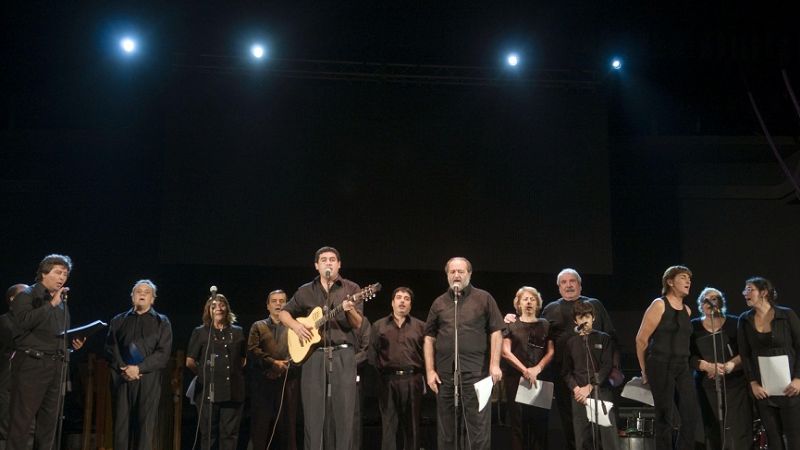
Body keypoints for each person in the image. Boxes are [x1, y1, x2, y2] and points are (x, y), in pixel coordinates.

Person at [278, 246, 364, 450]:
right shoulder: (306, 290)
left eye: (332, 259)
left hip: (343, 353)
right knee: (313, 415)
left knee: (344, 414)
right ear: (316, 265)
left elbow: (358, 324)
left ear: (339, 264)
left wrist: (348, 309)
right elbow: (283, 313)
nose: (328, 263)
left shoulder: (351, 288)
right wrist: (297, 326)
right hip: (313, 356)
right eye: (324, 260)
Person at [424, 256, 504, 450]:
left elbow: (496, 331)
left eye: (460, 271)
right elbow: (429, 338)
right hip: (445, 376)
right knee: (447, 428)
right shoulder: (439, 303)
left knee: (477, 428)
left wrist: (494, 364)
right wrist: (430, 371)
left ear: (469, 274)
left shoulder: (484, 298)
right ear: (447, 275)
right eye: (452, 272)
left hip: (477, 373)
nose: (456, 275)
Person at [7, 254, 84, 450]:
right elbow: (24, 321)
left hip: (55, 365)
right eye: (58, 272)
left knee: (49, 423)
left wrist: (71, 344)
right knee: (22, 421)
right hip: (31, 364)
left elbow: (57, 334)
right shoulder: (27, 295)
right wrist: (51, 305)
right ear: (44, 272)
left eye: (65, 274)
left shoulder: (60, 303)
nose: (62, 278)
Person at [539, 268, 620, 450]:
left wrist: (612, 369)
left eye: (572, 281)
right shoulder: (551, 309)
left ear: (580, 285)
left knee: (604, 428)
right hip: (567, 378)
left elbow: (612, 337)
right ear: (559, 287)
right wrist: (513, 318)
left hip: (599, 377)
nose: (568, 285)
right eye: (564, 282)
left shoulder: (594, 304)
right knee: (574, 425)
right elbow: (537, 334)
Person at [635, 265, 699, 450]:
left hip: (682, 366)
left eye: (689, 278)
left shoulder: (687, 310)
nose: (688, 281)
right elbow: (641, 340)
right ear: (670, 282)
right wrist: (644, 370)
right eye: (683, 277)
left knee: (690, 414)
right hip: (660, 364)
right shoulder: (660, 304)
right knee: (665, 415)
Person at [105, 279, 173, 450]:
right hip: (122, 377)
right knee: (121, 426)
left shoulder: (162, 322)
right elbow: (110, 347)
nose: (142, 294)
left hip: (148, 378)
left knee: (145, 426)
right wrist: (125, 368)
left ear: (153, 299)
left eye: (146, 292)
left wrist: (139, 368)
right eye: (138, 291)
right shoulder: (118, 320)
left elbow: (163, 353)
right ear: (132, 296)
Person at [737, 276, 800, 450]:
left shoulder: (786, 315)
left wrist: (798, 378)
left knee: (795, 437)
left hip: (790, 387)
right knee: (773, 438)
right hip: (764, 389)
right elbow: (745, 354)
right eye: (745, 290)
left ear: (763, 292)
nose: (745, 293)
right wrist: (753, 383)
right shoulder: (744, 320)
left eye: (750, 289)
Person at [689, 287, 752, 449]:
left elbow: (747, 351)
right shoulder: (693, 327)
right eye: (706, 300)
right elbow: (688, 355)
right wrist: (706, 366)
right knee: (711, 427)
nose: (710, 302)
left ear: (721, 302)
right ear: (701, 305)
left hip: (735, 384)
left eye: (715, 298)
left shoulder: (735, 323)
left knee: (738, 427)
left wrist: (731, 365)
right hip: (707, 385)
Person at [187, 292, 246, 450]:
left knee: (229, 435)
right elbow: (190, 361)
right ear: (208, 310)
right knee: (208, 435)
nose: (218, 308)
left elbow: (243, 359)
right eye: (214, 306)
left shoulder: (238, 331)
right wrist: (204, 375)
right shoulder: (200, 332)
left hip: (233, 392)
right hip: (208, 392)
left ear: (227, 308)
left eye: (222, 305)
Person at [369, 287, 426, 450]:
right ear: (392, 302)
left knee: (412, 427)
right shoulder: (378, 325)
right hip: (387, 381)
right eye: (399, 298)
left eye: (406, 298)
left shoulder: (421, 326)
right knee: (389, 426)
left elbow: (427, 354)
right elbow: (372, 356)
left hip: (412, 379)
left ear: (410, 305)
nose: (402, 301)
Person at [500, 286, 554, 450]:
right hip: (516, 379)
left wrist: (537, 369)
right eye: (525, 299)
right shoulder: (511, 324)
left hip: (540, 378)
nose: (529, 302)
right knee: (518, 425)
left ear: (538, 303)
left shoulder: (545, 324)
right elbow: (505, 352)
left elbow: (551, 351)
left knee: (540, 425)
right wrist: (525, 371)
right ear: (518, 303)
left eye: (532, 299)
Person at [563, 300, 619, 450]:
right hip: (579, 396)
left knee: (608, 437)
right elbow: (566, 372)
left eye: (587, 316)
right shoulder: (571, 342)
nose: (584, 320)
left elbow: (607, 366)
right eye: (580, 317)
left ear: (593, 317)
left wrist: (591, 385)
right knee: (583, 437)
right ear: (576, 320)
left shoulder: (604, 338)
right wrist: (576, 389)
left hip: (601, 392)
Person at [248, 289, 299, 450]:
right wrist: (272, 364)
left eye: (282, 301)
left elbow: (301, 352)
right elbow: (253, 350)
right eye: (274, 301)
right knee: (260, 430)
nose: (278, 304)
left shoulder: (294, 327)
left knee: (288, 429)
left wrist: (282, 367)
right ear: (268, 306)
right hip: (263, 384)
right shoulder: (258, 326)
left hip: (287, 384)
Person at [0, 284, 26, 449]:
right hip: (7, 380)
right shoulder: (4, 321)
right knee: (5, 424)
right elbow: (15, 340)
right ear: (12, 299)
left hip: (27, 381)